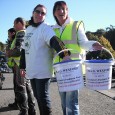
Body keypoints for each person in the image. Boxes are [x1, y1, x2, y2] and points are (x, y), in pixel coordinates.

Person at [52, 1, 103, 115]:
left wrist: (93, 44)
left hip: (74, 68)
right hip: (60, 70)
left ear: (67, 11)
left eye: (64, 9)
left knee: (71, 102)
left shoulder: (75, 24)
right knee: (64, 102)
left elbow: (83, 42)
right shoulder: (52, 29)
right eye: (59, 9)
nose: (62, 11)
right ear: (54, 12)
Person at [20, 4, 71, 115]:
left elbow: (54, 40)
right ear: (33, 12)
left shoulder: (45, 28)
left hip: (43, 71)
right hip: (31, 70)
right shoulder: (28, 29)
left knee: (43, 98)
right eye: (38, 12)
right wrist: (22, 67)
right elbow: (24, 49)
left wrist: (65, 54)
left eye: (43, 13)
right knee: (38, 97)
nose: (40, 14)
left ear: (45, 16)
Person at [6, 17, 36, 115]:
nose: (14, 26)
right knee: (27, 87)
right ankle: (32, 110)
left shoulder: (21, 33)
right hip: (24, 64)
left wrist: (9, 53)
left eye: (14, 24)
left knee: (21, 87)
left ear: (19, 23)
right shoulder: (26, 33)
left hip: (20, 65)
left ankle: (24, 111)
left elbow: (18, 51)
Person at [6, 28, 19, 109]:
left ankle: (19, 104)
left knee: (18, 87)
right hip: (14, 66)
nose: (8, 35)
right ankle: (17, 102)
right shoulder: (12, 41)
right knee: (16, 86)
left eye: (9, 33)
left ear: (13, 33)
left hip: (18, 66)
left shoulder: (16, 41)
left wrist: (8, 51)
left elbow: (11, 52)